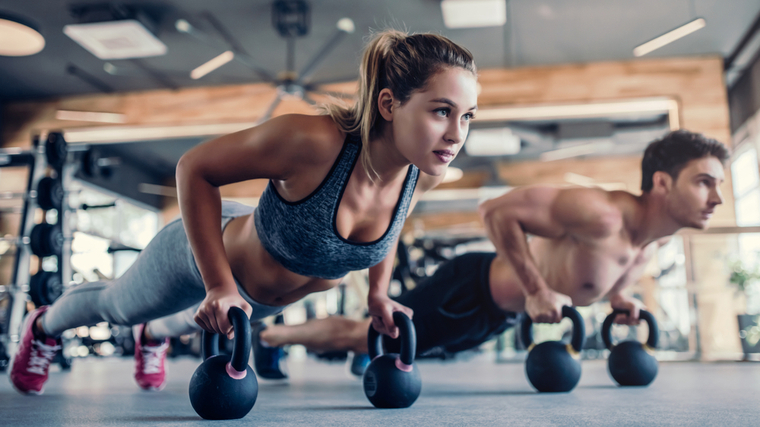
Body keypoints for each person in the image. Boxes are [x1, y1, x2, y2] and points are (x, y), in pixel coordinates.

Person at [9, 29, 479, 395]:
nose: (457, 134)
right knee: (117, 308)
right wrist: (218, 284)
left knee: (190, 317)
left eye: (468, 116)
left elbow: (389, 231)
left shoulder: (422, 172)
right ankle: (44, 327)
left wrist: (378, 294)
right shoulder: (312, 143)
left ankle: (154, 337)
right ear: (389, 104)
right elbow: (194, 168)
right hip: (204, 252)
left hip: (248, 301)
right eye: (442, 111)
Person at [252, 130, 728, 377]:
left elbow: (607, 268)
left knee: (388, 344)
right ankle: (271, 337)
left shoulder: (653, 241)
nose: (717, 198)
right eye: (704, 182)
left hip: (493, 316)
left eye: (720, 185)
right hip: (471, 289)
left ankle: (277, 337)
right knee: (366, 337)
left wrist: (621, 297)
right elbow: (495, 210)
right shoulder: (600, 212)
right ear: (662, 183)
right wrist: (537, 288)